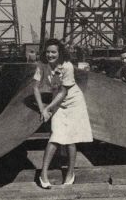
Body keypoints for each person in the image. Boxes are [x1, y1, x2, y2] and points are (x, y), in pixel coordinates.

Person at [33, 39, 93, 189]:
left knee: (71, 138)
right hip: (57, 100)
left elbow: (64, 91)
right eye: (47, 52)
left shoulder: (67, 66)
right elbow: (35, 88)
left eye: (53, 52)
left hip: (73, 102)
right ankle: (43, 174)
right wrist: (42, 108)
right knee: (56, 136)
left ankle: (70, 173)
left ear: (59, 53)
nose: (50, 55)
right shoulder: (41, 65)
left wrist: (48, 109)